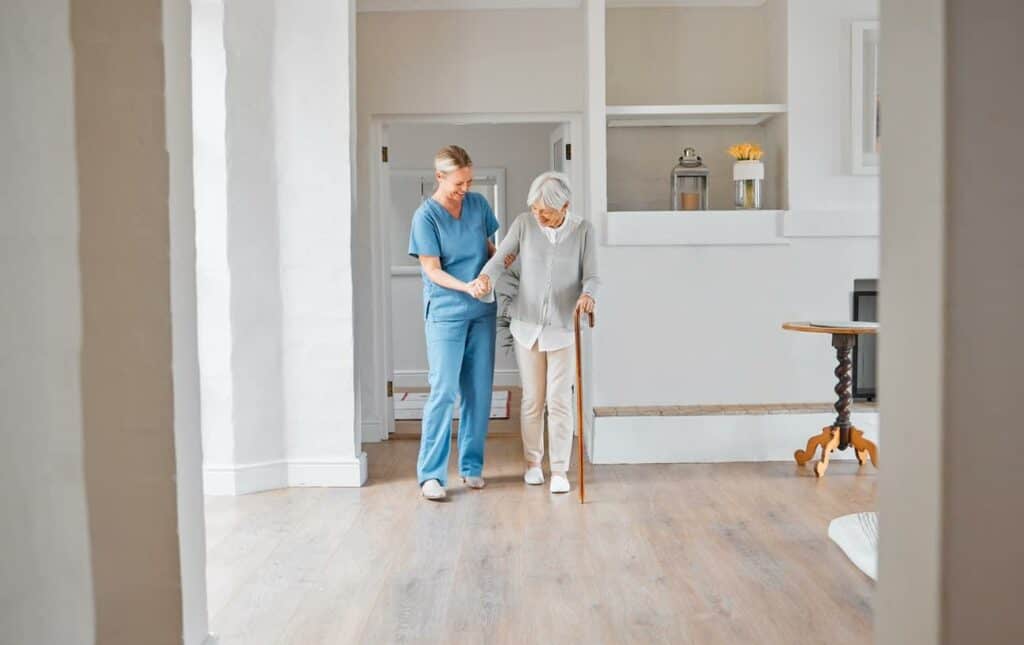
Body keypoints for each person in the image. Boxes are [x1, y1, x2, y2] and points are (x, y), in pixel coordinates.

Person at [475, 171, 599, 494]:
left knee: (559, 400)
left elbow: (592, 276)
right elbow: (500, 259)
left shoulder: (583, 230)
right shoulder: (524, 225)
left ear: (565, 207)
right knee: (532, 399)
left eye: (545, 211)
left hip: (563, 328)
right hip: (527, 327)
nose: (538, 215)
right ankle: (533, 463)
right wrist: (486, 279)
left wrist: (588, 295)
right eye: (534, 209)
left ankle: (559, 469)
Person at [408, 145, 500, 501]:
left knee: (478, 391)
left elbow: (491, 250)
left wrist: (502, 270)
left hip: (482, 310)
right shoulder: (425, 217)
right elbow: (432, 270)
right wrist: (467, 286)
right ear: (440, 177)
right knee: (444, 391)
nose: (465, 188)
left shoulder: (478, 205)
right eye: (459, 183)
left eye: (469, 181)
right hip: (446, 311)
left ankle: (472, 467)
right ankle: (431, 475)